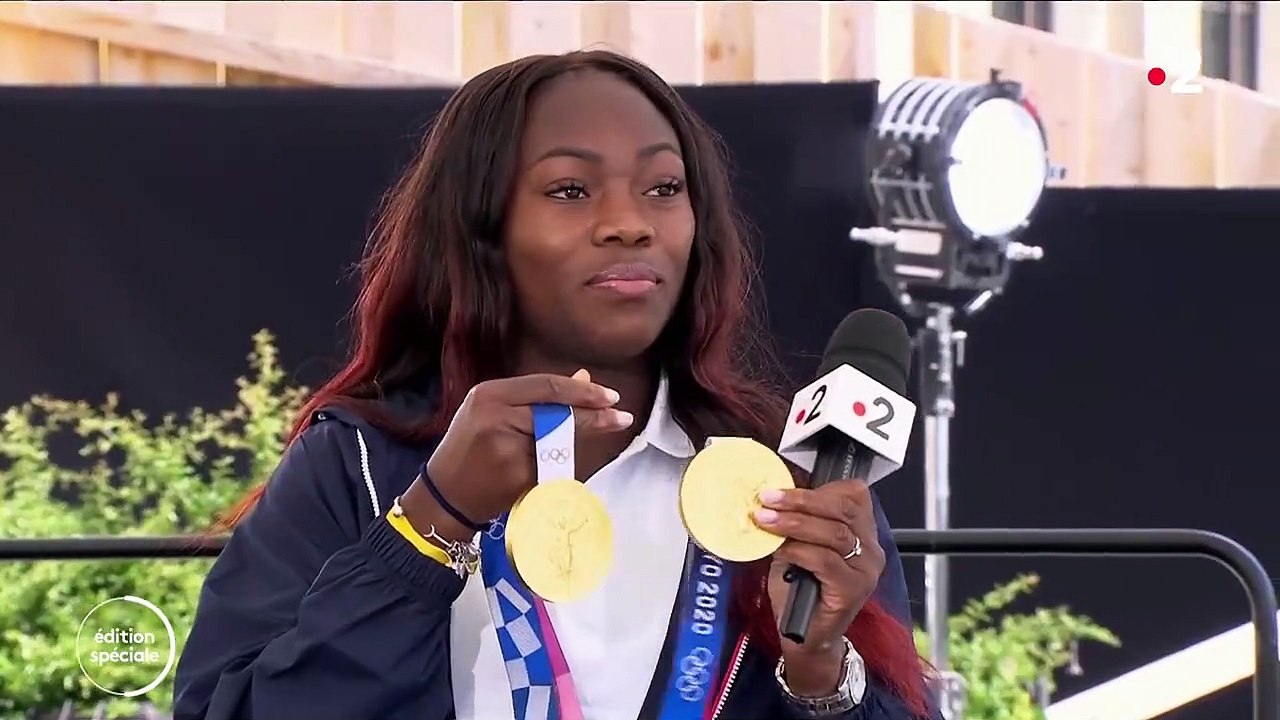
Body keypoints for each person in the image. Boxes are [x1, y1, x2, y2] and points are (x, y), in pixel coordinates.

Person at [172, 49, 935, 720]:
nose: (629, 223)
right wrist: (430, 526)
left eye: (664, 188)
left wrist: (822, 672)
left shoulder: (788, 482)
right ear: (481, 231)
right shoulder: (360, 464)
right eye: (570, 190)